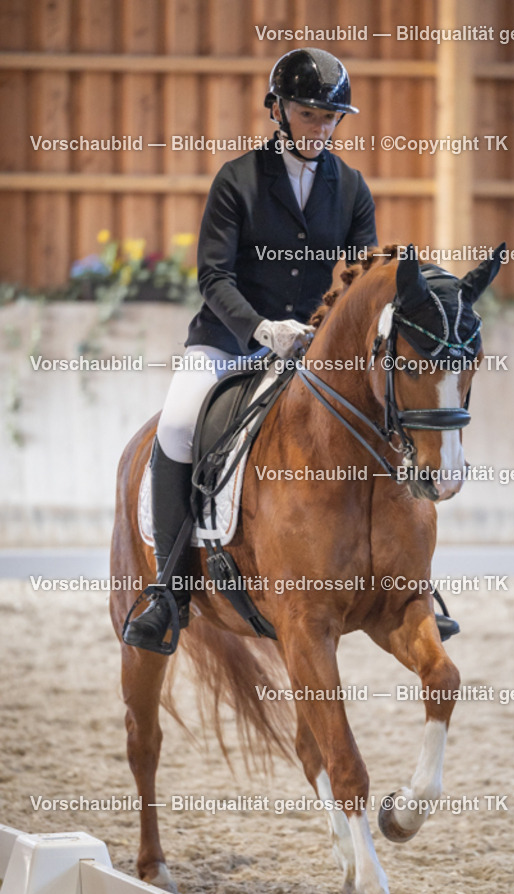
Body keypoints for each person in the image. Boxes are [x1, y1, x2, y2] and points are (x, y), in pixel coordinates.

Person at [123, 47, 378, 652]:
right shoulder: (237, 179)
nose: (322, 128)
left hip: (311, 351)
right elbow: (213, 277)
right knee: (179, 427)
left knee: (381, 417)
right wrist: (261, 328)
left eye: (331, 117)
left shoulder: (352, 189)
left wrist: (328, 332)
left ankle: (404, 582)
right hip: (229, 341)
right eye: (310, 114)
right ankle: (169, 590)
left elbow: (363, 279)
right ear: (278, 110)